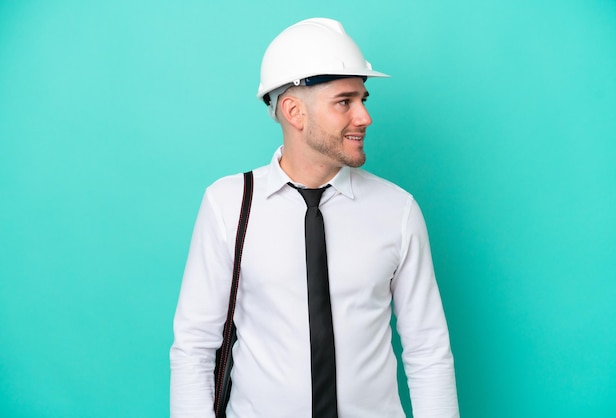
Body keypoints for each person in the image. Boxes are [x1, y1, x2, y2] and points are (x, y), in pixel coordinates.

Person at [170, 17, 459, 418]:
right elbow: (195, 346)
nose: (364, 117)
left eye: (363, 99)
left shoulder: (398, 209)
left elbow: (428, 349)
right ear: (294, 111)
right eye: (344, 102)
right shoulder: (228, 204)